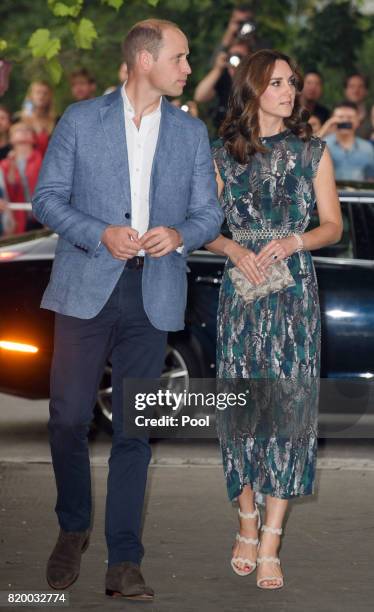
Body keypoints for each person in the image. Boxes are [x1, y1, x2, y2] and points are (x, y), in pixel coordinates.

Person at [32, 18, 223, 601]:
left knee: (135, 433)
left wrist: (179, 233)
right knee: (67, 419)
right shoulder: (81, 119)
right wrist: (100, 233)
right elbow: (46, 199)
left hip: (154, 292)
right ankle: (72, 526)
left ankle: (124, 559)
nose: (189, 69)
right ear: (146, 61)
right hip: (87, 287)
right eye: (181, 58)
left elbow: (209, 214)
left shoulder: (191, 135)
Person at [206, 49, 342, 589]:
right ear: (253, 89)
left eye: (294, 82)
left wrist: (293, 241)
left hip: (293, 294)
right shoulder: (221, 155)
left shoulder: (313, 152)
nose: (290, 92)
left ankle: (271, 541)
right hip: (242, 294)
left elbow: (332, 226)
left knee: (288, 411)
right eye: (278, 83)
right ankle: (245, 520)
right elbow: (199, 226)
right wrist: (235, 250)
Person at [194, 38, 252, 131]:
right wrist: (217, 69)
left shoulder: (253, 80)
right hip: (223, 133)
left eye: (240, 56)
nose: (236, 59)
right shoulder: (223, 76)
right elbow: (199, 97)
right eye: (232, 55)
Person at [0, 122, 43, 234]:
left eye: (28, 130)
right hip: (19, 221)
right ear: (11, 139)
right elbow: (8, 191)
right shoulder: (4, 165)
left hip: (44, 217)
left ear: (33, 138)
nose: (24, 132)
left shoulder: (43, 158)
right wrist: (12, 167)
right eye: (18, 130)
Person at [318, 101, 374, 181]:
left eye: (350, 117)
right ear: (332, 120)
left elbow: (371, 178)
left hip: (359, 193)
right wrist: (326, 127)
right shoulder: (322, 144)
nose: (344, 121)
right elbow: (305, 157)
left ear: (358, 121)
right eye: (340, 117)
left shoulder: (367, 148)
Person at [21, 81, 56, 157]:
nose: (41, 96)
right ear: (31, 96)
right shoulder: (19, 119)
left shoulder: (57, 121)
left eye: (45, 93)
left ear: (50, 97)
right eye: (38, 92)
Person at [343, 73, 371, 139]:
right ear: (345, 91)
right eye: (352, 86)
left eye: (360, 87)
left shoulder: (371, 116)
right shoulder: (335, 115)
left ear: (366, 91)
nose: (356, 90)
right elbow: (316, 149)